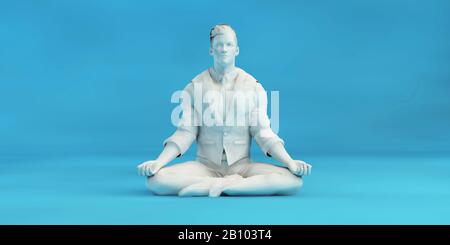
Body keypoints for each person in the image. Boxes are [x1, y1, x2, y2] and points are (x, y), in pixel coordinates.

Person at [137, 24, 312, 197]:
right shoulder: (194, 87)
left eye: (229, 45)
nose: (224, 49)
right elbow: (185, 133)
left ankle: (222, 187)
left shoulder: (253, 87)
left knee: (293, 181)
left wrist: (290, 162)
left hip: (242, 166)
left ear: (237, 50)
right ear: (211, 50)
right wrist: (158, 162)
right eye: (219, 45)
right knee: (157, 180)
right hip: (205, 167)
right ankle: (230, 186)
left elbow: (263, 133)